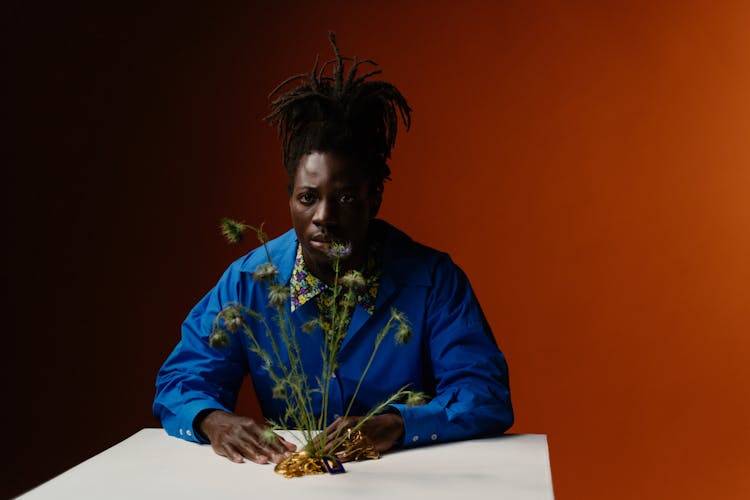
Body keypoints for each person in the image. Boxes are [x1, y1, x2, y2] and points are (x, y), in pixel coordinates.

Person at [153, 33, 513, 465]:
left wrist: (397, 424)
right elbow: (182, 379)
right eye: (308, 197)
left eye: (344, 198)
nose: (324, 216)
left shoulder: (434, 280)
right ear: (290, 199)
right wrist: (213, 419)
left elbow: (484, 392)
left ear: (373, 199)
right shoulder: (248, 282)